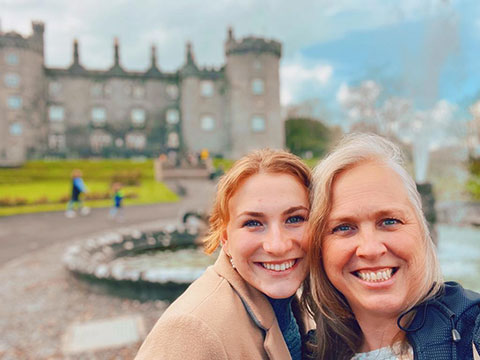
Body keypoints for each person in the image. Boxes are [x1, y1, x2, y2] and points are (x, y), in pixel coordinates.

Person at [303, 133, 480, 360]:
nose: (371, 249)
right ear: (319, 248)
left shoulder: (472, 324)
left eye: (389, 221)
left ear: (423, 231)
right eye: (344, 227)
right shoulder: (308, 351)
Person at [135, 149, 313, 360]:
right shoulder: (191, 331)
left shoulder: (297, 303)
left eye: (294, 219)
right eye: (253, 223)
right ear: (224, 238)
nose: (278, 246)